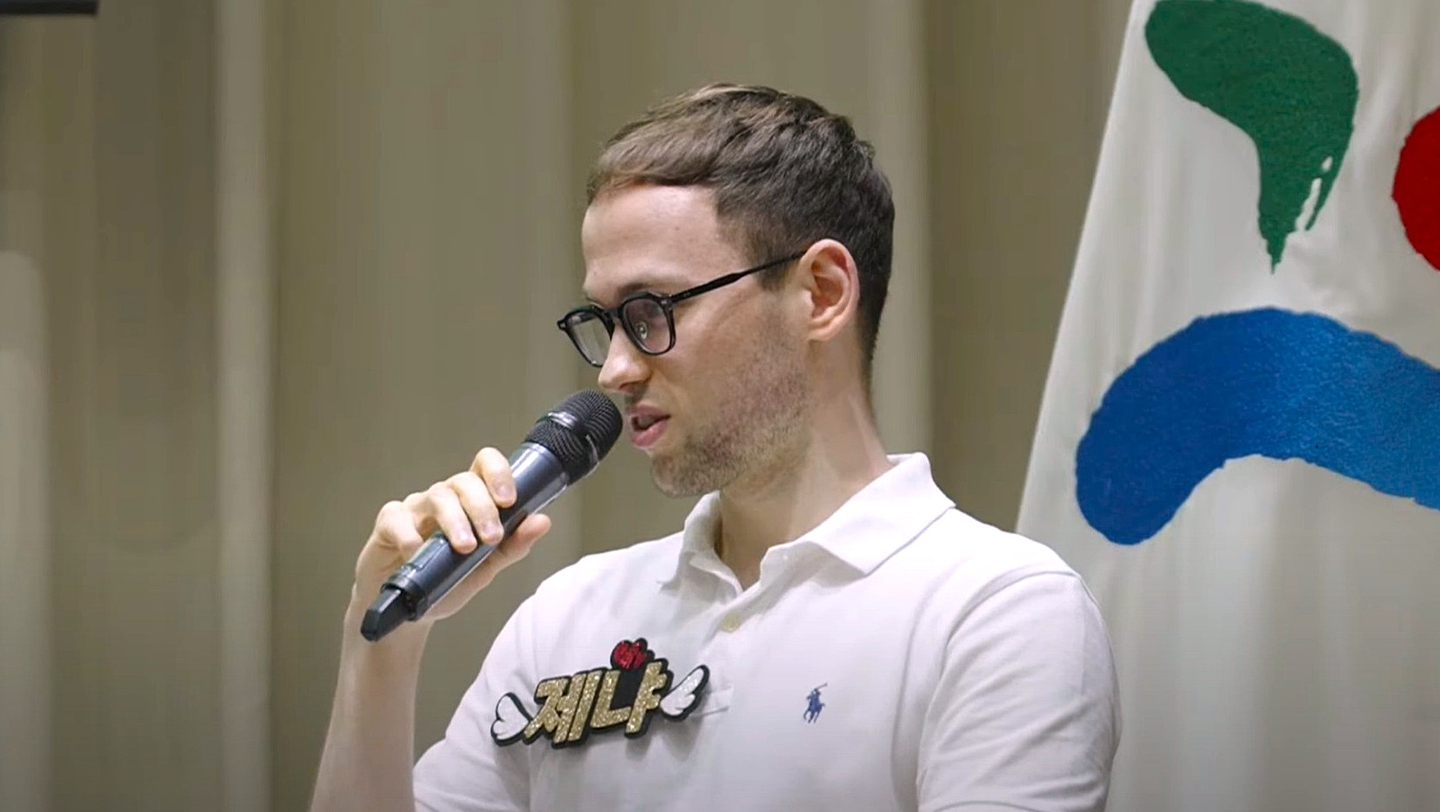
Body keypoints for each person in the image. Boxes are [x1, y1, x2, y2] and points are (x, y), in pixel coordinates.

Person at [310, 83, 1119, 812]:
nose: (618, 369)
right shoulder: (567, 615)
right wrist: (378, 643)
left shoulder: (996, 611)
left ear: (822, 293)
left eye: (653, 308)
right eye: (606, 321)